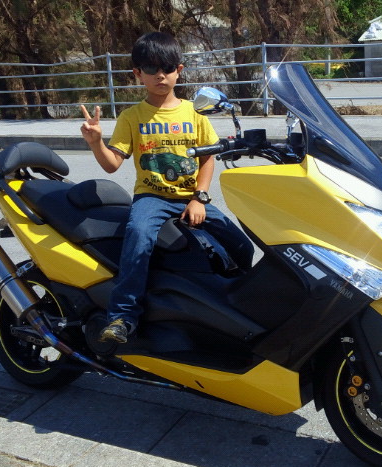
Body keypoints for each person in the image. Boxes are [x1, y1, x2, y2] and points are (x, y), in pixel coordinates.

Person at [79, 32, 254, 344]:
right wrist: (96, 143)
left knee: (241, 245)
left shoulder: (194, 113)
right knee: (138, 237)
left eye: (168, 68)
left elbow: (207, 159)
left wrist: (199, 198)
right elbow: (112, 164)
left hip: (191, 197)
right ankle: (122, 317)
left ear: (179, 70)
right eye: (151, 68)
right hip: (153, 197)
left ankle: (236, 306)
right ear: (138, 73)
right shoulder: (132, 117)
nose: (160, 75)